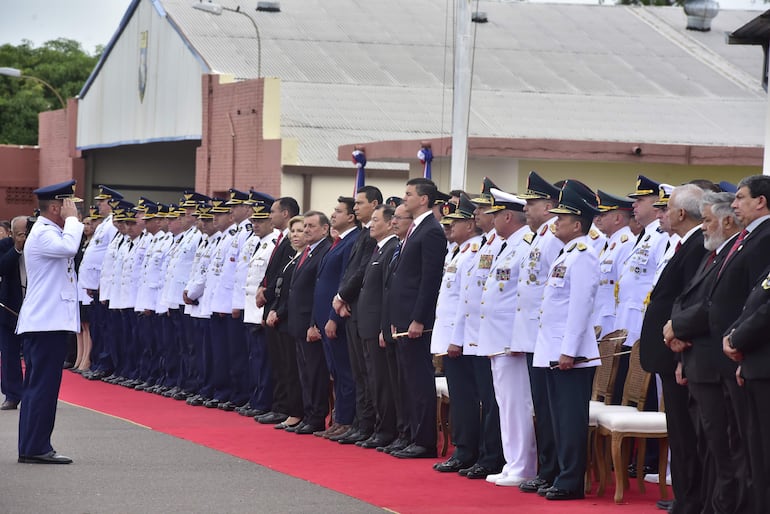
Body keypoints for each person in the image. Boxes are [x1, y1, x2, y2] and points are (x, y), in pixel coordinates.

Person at [531, 179, 602, 501]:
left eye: (562, 218)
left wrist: (568, 350)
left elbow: (580, 307)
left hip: (569, 353)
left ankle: (570, 480)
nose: (555, 221)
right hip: (551, 349)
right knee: (556, 417)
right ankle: (560, 473)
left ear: (577, 224)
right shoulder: (566, 254)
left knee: (570, 419)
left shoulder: (583, 255)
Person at [639, 184, 707, 514]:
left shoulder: (696, 246)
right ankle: (683, 494)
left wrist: (678, 342)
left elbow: (688, 299)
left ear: (681, 213)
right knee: (678, 428)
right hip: (668, 350)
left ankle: (690, 497)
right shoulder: (684, 244)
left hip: (677, 348)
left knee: (685, 430)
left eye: (667, 209)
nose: (662, 214)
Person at [16, 180, 84, 464]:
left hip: (48, 323)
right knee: (41, 388)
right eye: (69, 205)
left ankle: (34, 445)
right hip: (45, 324)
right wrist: (73, 222)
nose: (74, 210)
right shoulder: (45, 234)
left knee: (40, 388)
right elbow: (70, 248)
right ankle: (35, 447)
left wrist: (68, 222)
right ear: (56, 207)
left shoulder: (51, 232)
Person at [477, 188, 537, 487]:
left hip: (510, 340)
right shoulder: (505, 245)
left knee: (516, 403)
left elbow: (523, 297)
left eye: (495, 214)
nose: (491, 219)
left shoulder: (526, 245)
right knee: (505, 402)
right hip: (497, 338)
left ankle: (523, 465)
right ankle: (512, 461)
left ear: (508, 216)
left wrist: (516, 338)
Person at [385, 177, 446, 459]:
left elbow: (429, 279)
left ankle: (424, 439)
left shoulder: (431, 230)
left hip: (416, 320)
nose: (404, 198)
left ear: (423, 199)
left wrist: (419, 319)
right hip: (403, 316)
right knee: (405, 380)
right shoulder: (416, 229)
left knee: (419, 380)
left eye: (408, 194)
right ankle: (408, 433)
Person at [515, 171, 565, 495]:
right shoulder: (540, 238)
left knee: (550, 409)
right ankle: (547, 469)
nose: (527, 210)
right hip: (536, 336)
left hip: (548, 337)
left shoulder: (553, 239)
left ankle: (553, 470)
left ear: (549, 206)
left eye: (532, 204)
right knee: (542, 408)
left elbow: (556, 290)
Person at [355, 205, 399, 448]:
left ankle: (385, 430)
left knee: (382, 382)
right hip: (366, 324)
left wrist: (383, 327)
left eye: (375, 220)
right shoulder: (378, 249)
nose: (371, 224)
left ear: (390, 222)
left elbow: (385, 293)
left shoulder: (391, 248)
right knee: (373, 380)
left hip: (377, 326)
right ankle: (378, 427)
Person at [286, 211, 332, 435]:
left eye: (311, 226)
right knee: (304, 372)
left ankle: (315, 417)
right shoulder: (308, 252)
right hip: (298, 321)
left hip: (310, 322)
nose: (305, 230)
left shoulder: (324, 250)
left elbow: (319, 292)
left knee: (315, 373)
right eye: (305, 226)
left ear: (325, 229)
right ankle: (307, 412)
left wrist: (314, 323)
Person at [0, 216, 29, 410]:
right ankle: (12, 394)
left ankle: (32, 393)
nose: (24, 237)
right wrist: (17, 248)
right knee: (10, 353)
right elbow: (2, 266)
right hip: (10, 305)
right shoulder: (5, 245)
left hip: (35, 303)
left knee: (34, 353)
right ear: (11, 233)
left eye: (26, 233)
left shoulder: (40, 245)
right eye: (20, 233)